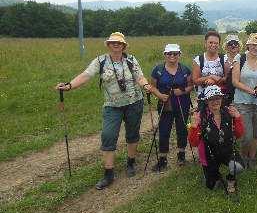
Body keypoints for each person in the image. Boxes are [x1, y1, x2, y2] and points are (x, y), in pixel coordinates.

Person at [55, 32, 161, 190]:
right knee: (108, 135)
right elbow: (86, 75)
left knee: (132, 134)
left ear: (124, 45)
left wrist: (146, 86)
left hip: (134, 103)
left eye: (119, 43)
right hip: (112, 106)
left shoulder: (131, 60)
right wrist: (69, 85)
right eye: (112, 42)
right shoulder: (100, 61)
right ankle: (108, 173)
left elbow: (140, 77)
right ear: (108, 45)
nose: (116, 45)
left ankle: (131, 162)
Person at [188, 86, 244, 194]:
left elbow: (239, 134)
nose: (215, 101)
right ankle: (214, 176)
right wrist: (194, 127)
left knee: (238, 167)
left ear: (221, 99)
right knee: (212, 186)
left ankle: (230, 179)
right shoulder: (201, 117)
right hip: (209, 154)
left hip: (227, 150)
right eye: (211, 99)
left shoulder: (228, 112)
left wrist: (237, 118)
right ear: (206, 101)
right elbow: (193, 143)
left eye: (218, 98)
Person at [149, 44, 193, 171]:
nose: (172, 56)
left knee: (182, 129)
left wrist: (183, 91)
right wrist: (159, 95)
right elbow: (152, 86)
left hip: (182, 103)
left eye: (175, 53)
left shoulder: (185, 69)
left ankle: (181, 155)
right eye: (169, 54)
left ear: (179, 55)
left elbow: (191, 85)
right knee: (163, 130)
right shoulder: (158, 70)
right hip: (165, 104)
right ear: (165, 55)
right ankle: (162, 159)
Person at [231, 33, 257, 169]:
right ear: (248, 45)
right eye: (253, 45)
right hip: (242, 102)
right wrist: (252, 91)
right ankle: (243, 157)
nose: (256, 48)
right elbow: (235, 81)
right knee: (246, 134)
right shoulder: (239, 58)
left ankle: (252, 158)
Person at [192, 31, 228, 110]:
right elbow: (195, 80)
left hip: (221, 98)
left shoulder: (224, 59)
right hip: (203, 98)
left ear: (219, 45)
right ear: (205, 43)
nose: (213, 45)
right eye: (210, 42)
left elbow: (227, 78)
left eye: (216, 43)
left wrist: (215, 81)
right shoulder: (198, 60)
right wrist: (210, 77)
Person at [223, 34, 242, 105]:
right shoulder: (222, 59)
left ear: (239, 46)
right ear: (226, 46)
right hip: (225, 93)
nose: (233, 45)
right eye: (230, 43)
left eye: (236, 43)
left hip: (240, 93)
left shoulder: (243, 58)